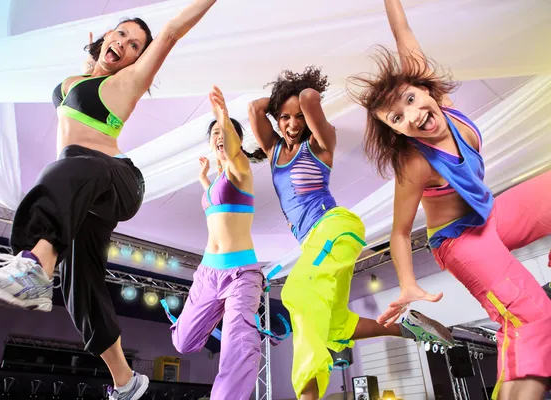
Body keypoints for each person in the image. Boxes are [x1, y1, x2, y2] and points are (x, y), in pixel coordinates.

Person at [0, 2, 217, 399]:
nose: (124, 44)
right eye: (121, 34)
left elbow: (171, 32)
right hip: (81, 194)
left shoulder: (126, 84)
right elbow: (78, 91)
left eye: (134, 46)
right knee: (81, 288)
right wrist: (90, 55)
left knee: (68, 166)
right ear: (107, 36)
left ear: (137, 61)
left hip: (116, 180)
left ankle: (32, 270)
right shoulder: (71, 82)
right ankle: (126, 382)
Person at [349, 1, 551, 399]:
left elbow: (403, 34)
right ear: (397, 132)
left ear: (423, 88)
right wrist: (406, 285)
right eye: (396, 118)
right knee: (532, 318)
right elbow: (401, 233)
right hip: (460, 243)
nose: (411, 115)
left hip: (490, 216)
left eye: (408, 100)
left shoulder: (444, 108)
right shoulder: (415, 164)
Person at [248, 67, 454, 400]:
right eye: (284, 118)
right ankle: (409, 329)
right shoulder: (274, 154)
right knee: (334, 324)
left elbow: (310, 98)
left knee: (297, 293)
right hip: (319, 241)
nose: (292, 123)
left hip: (334, 227)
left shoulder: (319, 145)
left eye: (298, 117)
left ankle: (308, 395)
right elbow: (256, 110)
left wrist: (301, 95)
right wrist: (278, 105)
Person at [161, 86, 266, 400]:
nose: (220, 136)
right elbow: (213, 199)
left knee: (238, 345)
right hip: (208, 273)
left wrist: (222, 116)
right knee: (182, 342)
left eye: (227, 132)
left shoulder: (241, 171)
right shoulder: (216, 183)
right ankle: (224, 313)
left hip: (240, 275)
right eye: (215, 133)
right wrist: (204, 178)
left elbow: (233, 156)